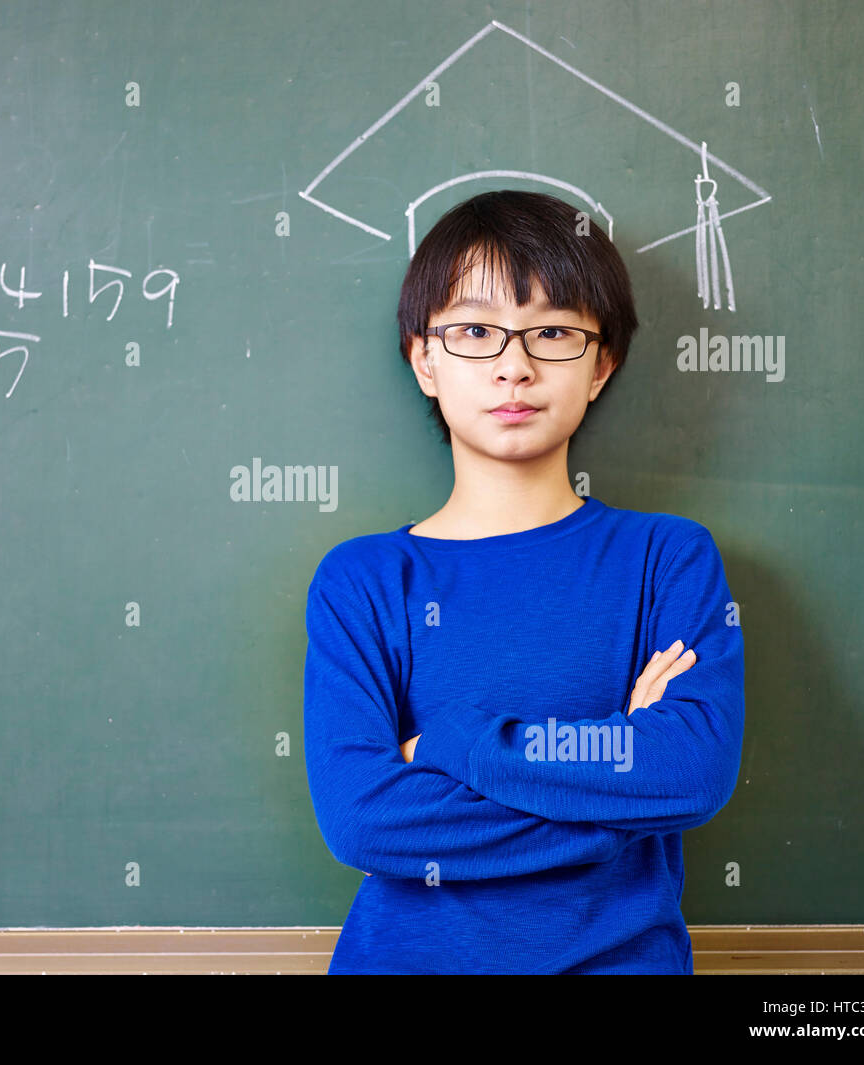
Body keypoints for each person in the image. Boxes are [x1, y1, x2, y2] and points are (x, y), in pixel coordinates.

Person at [302, 189, 745, 974]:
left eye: (553, 332)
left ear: (602, 364)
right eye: (475, 330)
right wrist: (619, 796)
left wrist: (447, 742)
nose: (515, 364)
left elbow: (689, 772)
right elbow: (363, 819)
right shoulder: (364, 580)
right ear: (424, 359)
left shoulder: (666, 559)